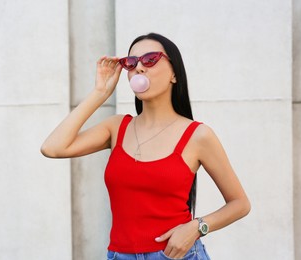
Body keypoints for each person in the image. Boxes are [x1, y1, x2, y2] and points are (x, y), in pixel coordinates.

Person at [41, 32, 251, 260]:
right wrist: (100, 93)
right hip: (119, 255)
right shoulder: (117, 127)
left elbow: (240, 203)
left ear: (174, 73)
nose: (139, 68)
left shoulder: (197, 135)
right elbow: (53, 148)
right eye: (131, 63)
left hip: (178, 255)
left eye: (150, 59)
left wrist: (197, 227)